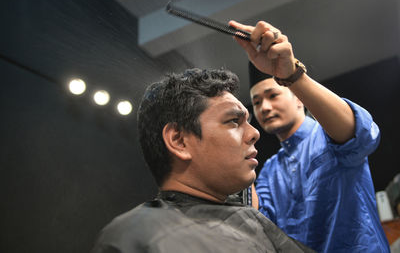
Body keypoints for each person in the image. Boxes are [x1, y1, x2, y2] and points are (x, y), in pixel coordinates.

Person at [91, 68, 315, 252]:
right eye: (233, 121)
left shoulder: (254, 221)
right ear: (179, 140)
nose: (254, 133)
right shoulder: (137, 238)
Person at [228, 19, 390, 252]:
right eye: (256, 102)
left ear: (298, 98)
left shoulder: (328, 136)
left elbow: (361, 136)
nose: (264, 107)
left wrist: (293, 76)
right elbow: (259, 224)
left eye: (272, 95)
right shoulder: (270, 171)